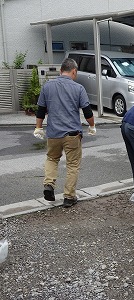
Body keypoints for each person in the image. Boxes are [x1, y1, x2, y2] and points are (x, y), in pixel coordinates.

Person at [33, 58, 96, 208]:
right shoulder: (78, 88)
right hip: (72, 134)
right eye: (76, 73)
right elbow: (87, 111)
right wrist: (92, 126)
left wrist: (38, 127)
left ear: (61, 71)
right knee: (73, 164)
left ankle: (49, 184)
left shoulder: (47, 86)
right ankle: (69, 197)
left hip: (53, 133)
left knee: (52, 158)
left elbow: (40, 110)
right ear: (74, 71)